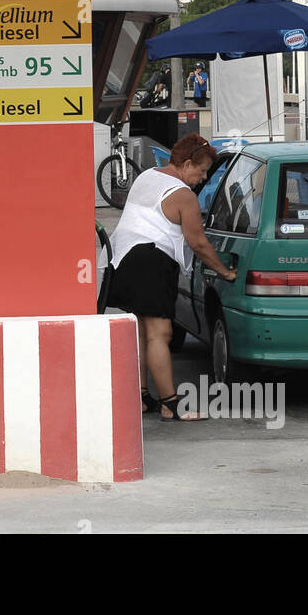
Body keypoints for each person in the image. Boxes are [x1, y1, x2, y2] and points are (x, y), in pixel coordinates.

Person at [107, 132, 236, 421]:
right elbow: (199, 243)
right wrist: (225, 272)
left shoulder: (149, 175)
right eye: (201, 171)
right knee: (160, 334)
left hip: (123, 258)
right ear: (187, 164)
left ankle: (140, 397)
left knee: (141, 331)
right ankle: (171, 404)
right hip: (150, 261)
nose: (203, 179)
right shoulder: (183, 196)